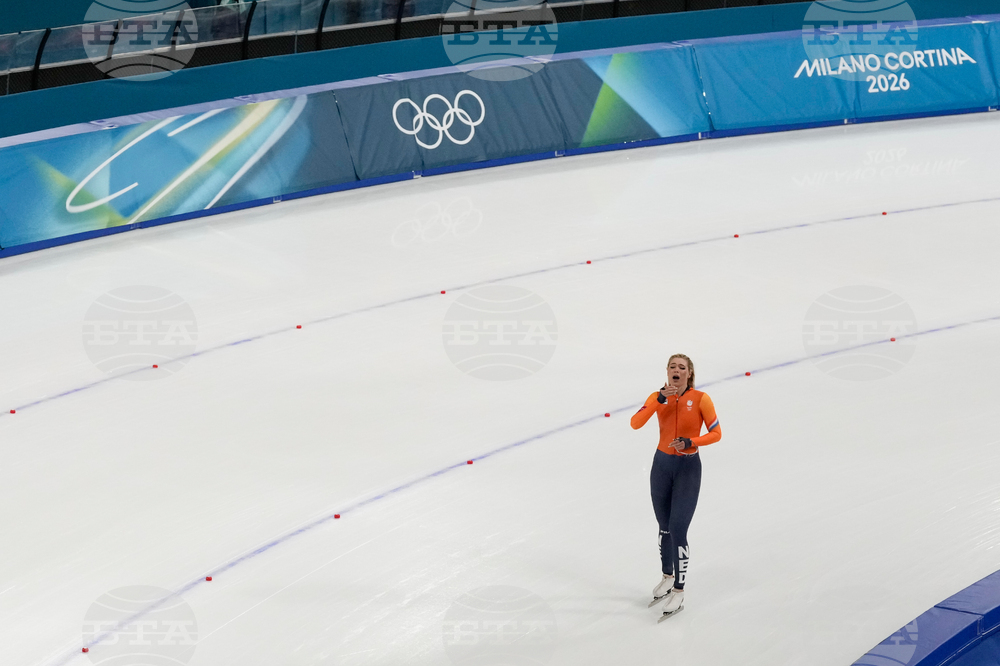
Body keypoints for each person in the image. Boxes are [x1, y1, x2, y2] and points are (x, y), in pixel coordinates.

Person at [630, 354, 721, 621]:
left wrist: (691, 442)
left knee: (679, 529)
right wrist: (658, 399)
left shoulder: (701, 399)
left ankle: (679, 590)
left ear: (689, 374)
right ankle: (667, 577)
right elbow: (635, 423)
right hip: (661, 467)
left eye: (682, 367)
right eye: (673, 367)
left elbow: (716, 433)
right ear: (667, 372)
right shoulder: (657, 397)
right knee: (664, 527)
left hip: (688, 469)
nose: (677, 371)